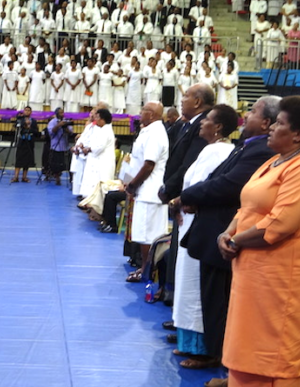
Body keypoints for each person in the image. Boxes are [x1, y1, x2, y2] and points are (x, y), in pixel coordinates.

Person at [216, 95, 300, 387]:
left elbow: (280, 224)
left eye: (279, 123)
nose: (271, 127)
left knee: (273, 354)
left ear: (297, 134)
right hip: (253, 271)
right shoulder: (274, 162)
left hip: (281, 276)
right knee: (246, 347)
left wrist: (236, 240)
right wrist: (227, 233)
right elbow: (248, 208)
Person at [171, 96, 279, 377]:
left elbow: (228, 185)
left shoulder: (260, 151)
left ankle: (217, 356)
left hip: (226, 230)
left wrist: (186, 196)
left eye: (253, 111)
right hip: (216, 228)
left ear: (266, 122)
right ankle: (218, 355)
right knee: (212, 298)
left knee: (218, 300)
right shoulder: (248, 146)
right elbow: (217, 179)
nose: (247, 115)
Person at [170, 104, 238, 368]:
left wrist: (184, 200)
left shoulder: (218, 150)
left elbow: (206, 187)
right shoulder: (210, 149)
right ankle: (188, 340)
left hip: (201, 220)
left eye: (207, 120)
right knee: (188, 281)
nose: (201, 123)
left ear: (218, 126)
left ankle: (202, 347)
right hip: (190, 219)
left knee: (196, 285)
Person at [124, 101, 170, 283]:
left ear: (151, 114)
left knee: (148, 236)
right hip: (145, 190)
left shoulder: (156, 134)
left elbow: (149, 164)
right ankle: (147, 268)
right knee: (145, 234)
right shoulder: (149, 131)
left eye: (143, 110)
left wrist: (133, 185)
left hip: (150, 191)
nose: (140, 113)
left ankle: (147, 270)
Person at [80, 107, 116, 197]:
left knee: (101, 182)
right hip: (97, 159)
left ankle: (98, 205)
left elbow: (99, 147)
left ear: (103, 119)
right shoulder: (101, 129)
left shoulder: (106, 130)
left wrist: (88, 149)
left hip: (103, 162)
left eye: (97, 118)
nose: (95, 120)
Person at [11, 106, 39, 183]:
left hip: (30, 142)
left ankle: (24, 177)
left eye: (28, 110)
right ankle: (16, 176)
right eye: (25, 110)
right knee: (19, 159)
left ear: (31, 112)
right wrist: (24, 124)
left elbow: (36, 131)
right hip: (21, 141)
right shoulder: (20, 120)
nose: (27, 112)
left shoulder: (33, 121)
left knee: (27, 160)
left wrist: (30, 128)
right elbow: (15, 127)